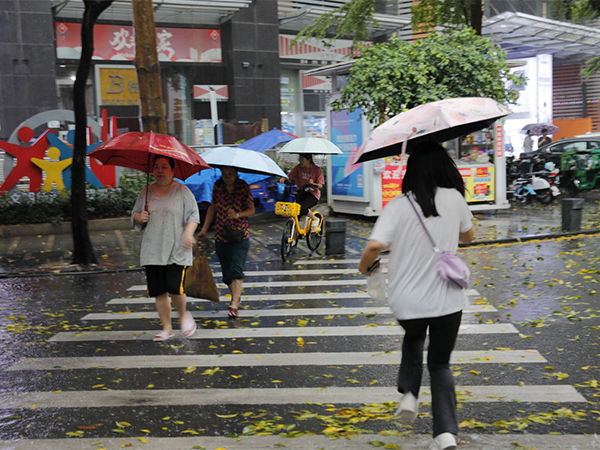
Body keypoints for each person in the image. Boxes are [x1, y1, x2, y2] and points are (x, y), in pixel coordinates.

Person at [358, 142, 474, 450]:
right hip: (447, 299)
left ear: (411, 171)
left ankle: (409, 393)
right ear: (443, 167)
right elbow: (468, 236)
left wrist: (363, 267)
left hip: (407, 299)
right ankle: (446, 433)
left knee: (413, 338)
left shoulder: (398, 205)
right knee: (440, 364)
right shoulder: (454, 198)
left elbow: (373, 246)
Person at [132, 156, 200, 342]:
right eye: (156, 167)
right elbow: (134, 215)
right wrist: (140, 217)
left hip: (176, 248)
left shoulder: (182, 191)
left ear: (172, 170)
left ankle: (184, 316)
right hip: (153, 250)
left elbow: (194, 215)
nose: (159, 171)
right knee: (159, 291)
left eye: (164, 167)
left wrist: (188, 232)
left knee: (175, 288)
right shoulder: (145, 192)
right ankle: (167, 328)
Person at [198, 167, 255, 319]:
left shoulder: (243, 186)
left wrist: (237, 215)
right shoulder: (218, 186)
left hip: (240, 235)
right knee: (227, 276)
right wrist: (204, 229)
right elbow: (212, 207)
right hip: (221, 235)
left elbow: (251, 209)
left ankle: (234, 303)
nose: (227, 177)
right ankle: (236, 295)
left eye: (230, 174)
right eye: (224, 174)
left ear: (236, 174)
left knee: (237, 269)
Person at [280, 153, 325, 231]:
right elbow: (290, 175)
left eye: (302, 159)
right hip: (301, 193)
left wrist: (313, 184)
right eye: (299, 159)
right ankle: (294, 236)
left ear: (308, 160)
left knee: (302, 208)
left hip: (312, 195)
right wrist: (283, 179)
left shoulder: (317, 170)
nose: (300, 161)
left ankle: (315, 219)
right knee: (295, 214)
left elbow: (320, 185)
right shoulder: (298, 168)